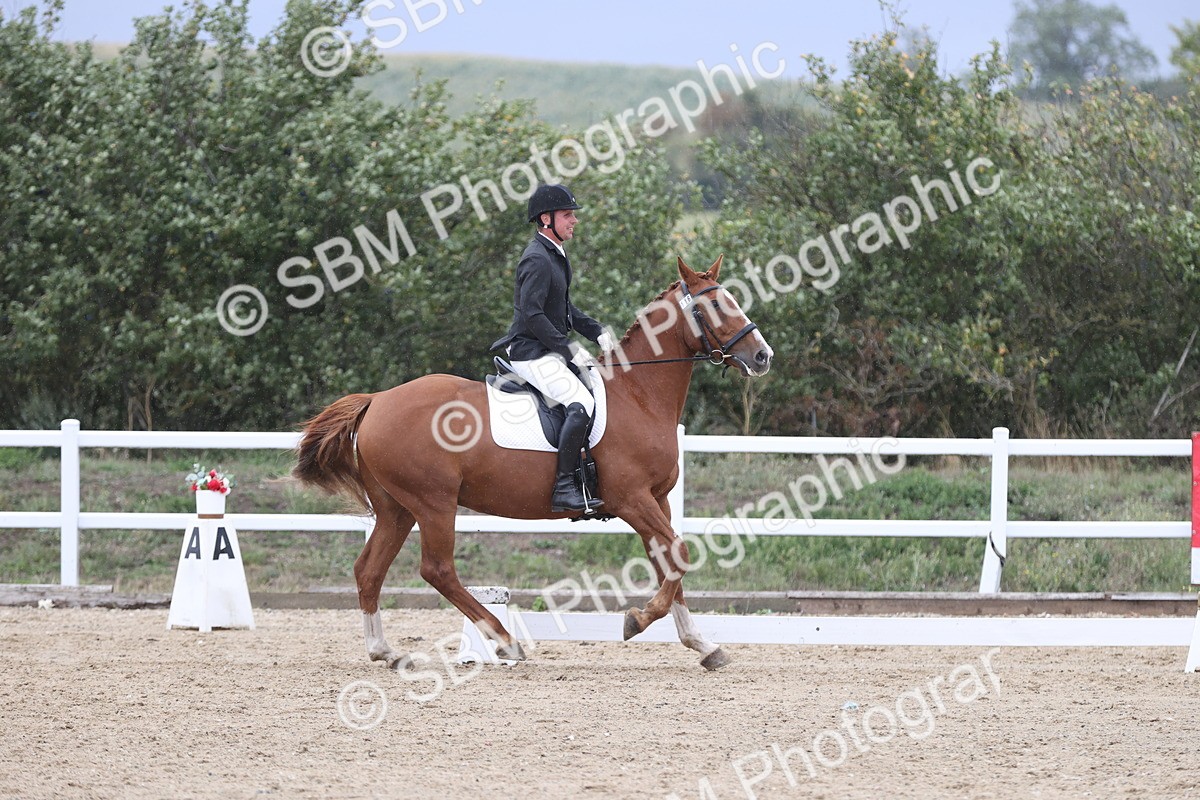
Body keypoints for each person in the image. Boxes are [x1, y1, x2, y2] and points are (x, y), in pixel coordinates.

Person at [490, 184, 616, 513]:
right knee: (581, 403)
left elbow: (562, 308)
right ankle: (564, 487)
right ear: (546, 219)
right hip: (530, 352)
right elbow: (533, 315)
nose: (574, 221)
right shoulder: (537, 259)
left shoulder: (553, 254)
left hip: (547, 351)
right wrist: (570, 349)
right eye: (567, 215)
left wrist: (596, 330)